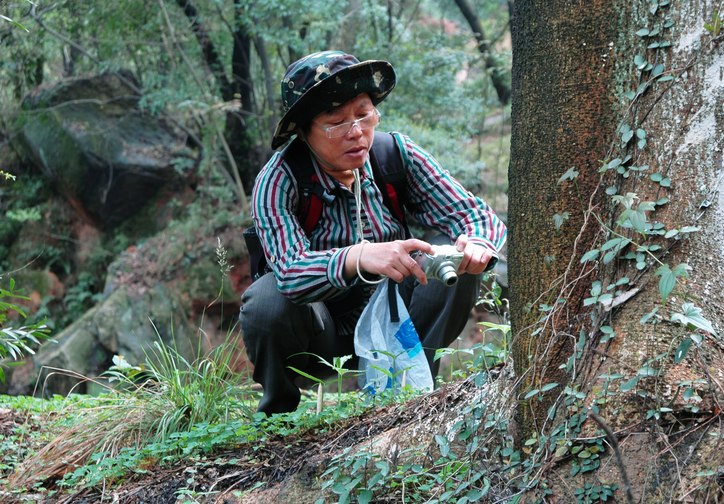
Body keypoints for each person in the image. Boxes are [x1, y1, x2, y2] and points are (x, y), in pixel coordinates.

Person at [240, 50, 507, 414]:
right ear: (303, 132)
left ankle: (414, 394)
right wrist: (359, 256)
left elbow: (472, 213)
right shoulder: (278, 181)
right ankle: (277, 412)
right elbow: (289, 271)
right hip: (321, 334)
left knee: (450, 259)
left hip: (398, 319)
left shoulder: (394, 155)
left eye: (364, 115)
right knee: (266, 299)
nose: (356, 132)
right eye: (336, 122)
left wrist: (476, 242)